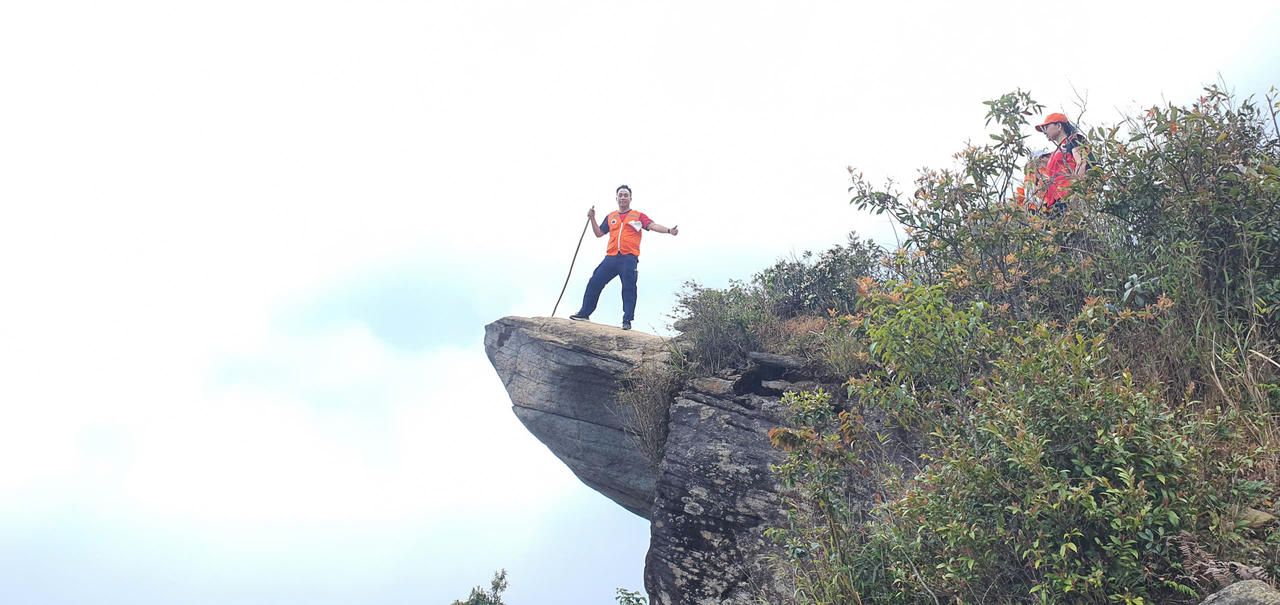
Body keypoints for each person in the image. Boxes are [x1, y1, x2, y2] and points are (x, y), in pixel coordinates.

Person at [569, 185, 679, 330]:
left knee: (629, 288)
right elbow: (599, 233)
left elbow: (652, 226)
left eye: (625, 195)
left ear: (630, 198)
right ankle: (584, 312)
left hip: (628, 258)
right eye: (620, 195)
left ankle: (627, 320)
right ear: (616, 198)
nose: (623, 198)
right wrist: (592, 218)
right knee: (594, 282)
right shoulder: (611, 216)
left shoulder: (638, 216)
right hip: (611, 257)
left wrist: (669, 230)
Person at [1035, 112, 1090, 213]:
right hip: (1055, 201)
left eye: (1046, 127)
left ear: (1059, 126)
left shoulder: (1073, 140)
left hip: (1068, 197)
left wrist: (1077, 193)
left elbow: (1082, 163)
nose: (1044, 132)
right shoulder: (1055, 152)